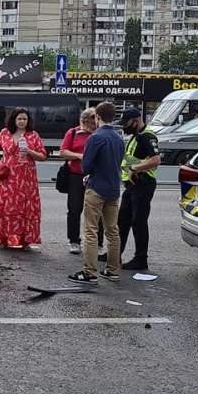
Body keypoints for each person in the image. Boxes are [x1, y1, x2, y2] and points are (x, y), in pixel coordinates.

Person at [70, 102, 123, 284]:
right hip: (114, 188)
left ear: (97, 117)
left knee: (91, 230)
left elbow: (86, 165)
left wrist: (89, 175)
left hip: (97, 188)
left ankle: (90, 272)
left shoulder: (95, 137)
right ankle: (113, 270)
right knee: (112, 231)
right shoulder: (118, 138)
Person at [0, 108, 48, 250]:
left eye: (24, 119)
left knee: (25, 208)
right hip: (7, 177)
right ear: (14, 120)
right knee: (5, 207)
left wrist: (30, 151)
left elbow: (43, 155)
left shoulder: (33, 135)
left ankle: (25, 239)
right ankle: (1, 238)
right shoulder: (5, 133)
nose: (22, 122)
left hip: (26, 178)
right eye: (19, 119)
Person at [117, 108, 161, 272]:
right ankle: (115, 254)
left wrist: (135, 168)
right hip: (132, 185)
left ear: (136, 120)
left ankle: (141, 259)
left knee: (138, 222)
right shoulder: (136, 136)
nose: (125, 127)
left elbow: (156, 160)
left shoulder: (147, 136)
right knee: (123, 221)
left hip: (143, 183)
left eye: (126, 123)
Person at [59, 108, 98, 255]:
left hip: (95, 176)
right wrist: (79, 156)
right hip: (76, 175)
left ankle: (97, 243)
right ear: (86, 121)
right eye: (93, 121)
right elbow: (63, 151)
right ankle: (74, 241)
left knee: (95, 210)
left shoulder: (99, 133)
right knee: (74, 209)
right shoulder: (73, 132)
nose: (95, 124)